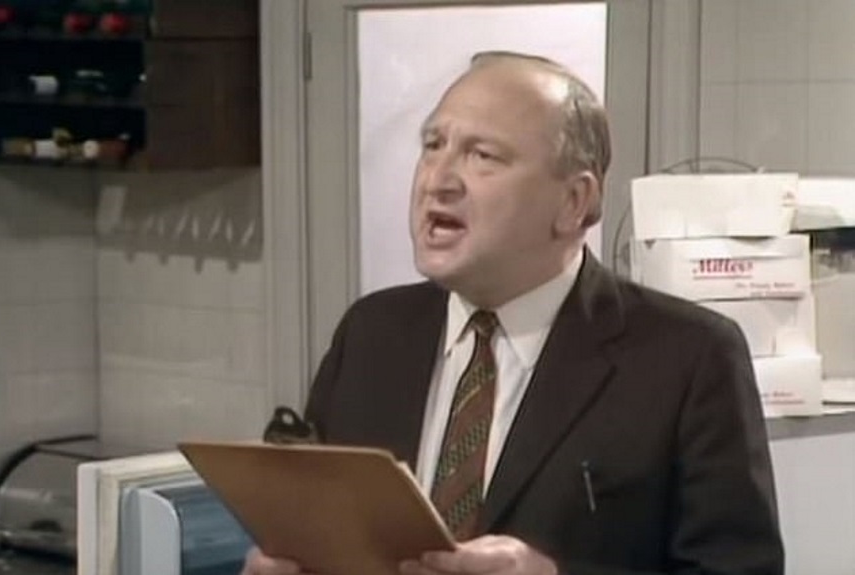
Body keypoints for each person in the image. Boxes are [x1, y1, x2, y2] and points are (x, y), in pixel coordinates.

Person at [242, 51, 783, 575]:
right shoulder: (371, 333)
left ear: (573, 202)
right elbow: (314, 530)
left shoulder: (688, 358)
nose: (437, 180)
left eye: (483, 156)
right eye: (433, 146)